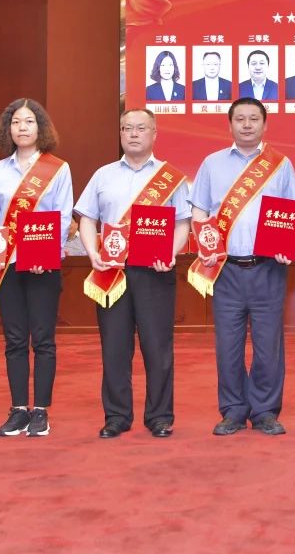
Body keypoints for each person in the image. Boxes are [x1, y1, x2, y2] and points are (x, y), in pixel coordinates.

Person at [189, 97, 295, 435]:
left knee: (268, 346)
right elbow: (199, 210)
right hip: (225, 269)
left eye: (254, 118)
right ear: (230, 124)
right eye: (240, 119)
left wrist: (286, 245)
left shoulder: (280, 164)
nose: (247, 124)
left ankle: (265, 411)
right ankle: (234, 411)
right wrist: (204, 246)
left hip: (268, 268)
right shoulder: (212, 164)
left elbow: (292, 210)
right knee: (228, 346)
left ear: (265, 124)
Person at [75, 108, 191, 439]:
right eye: (127, 128)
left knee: (157, 347)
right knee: (114, 347)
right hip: (111, 272)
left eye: (141, 128)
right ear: (121, 134)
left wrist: (170, 253)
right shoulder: (103, 175)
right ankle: (116, 416)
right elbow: (87, 218)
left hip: (155, 272)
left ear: (154, 134)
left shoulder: (171, 177)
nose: (134, 134)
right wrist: (93, 252)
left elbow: (183, 222)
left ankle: (159, 416)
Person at [0, 98, 74, 438]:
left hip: (43, 268)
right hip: (8, 265)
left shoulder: (58, 169)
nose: (22, 127)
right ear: (8, 129)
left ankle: (41, 411)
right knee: (15, 340)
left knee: (44, 339)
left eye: (29, 121)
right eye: (16, 122)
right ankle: (19, 409)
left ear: (40, 128)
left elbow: (63, 217)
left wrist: (42, 255)